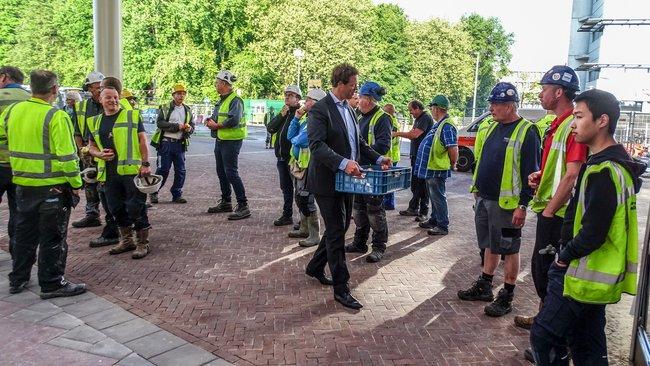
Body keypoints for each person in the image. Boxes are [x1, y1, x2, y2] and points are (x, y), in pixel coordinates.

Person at [530, 89, 643, 365]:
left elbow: (593, 232)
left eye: (579, 116)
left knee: (544, 336)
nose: (573, 124)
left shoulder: (603, 171)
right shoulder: (615, 167)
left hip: (581, 274)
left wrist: (562, 258)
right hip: (595, 276)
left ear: (602, 121)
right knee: (587, 346)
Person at [304, 63, 391, 310]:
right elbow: (317, 146)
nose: (355, 90)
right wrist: (344, 163)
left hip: (346, 180)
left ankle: (314, 267)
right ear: (340, 83)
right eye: (352, 85)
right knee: (335, 231)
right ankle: (341, 288)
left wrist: (377, 157)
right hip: (326, 180)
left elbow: (359, 143)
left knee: (341, 226)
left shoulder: (350, 111)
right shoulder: (320, 110)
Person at [513, 66, 587, 333]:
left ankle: (552, 330)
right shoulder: (559, 124)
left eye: (544, 90)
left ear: (558, 92)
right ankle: (545, 318)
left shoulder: (572, 125)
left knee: (550, 272)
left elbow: (572, 174)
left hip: (558, 213)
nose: (540, 95)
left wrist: (549, 210)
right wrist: (541, 175)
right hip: (551, 208)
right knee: (542, 270)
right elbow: (560, 168)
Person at [458, 82, 540, 317]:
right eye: (491, 103)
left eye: (495, 103)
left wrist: (523, 205)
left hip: (507, 205)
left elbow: (530, 172)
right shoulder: (493, 126)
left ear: (510, 105)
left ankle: (507, 295)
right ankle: (485, 285)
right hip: (484, 198)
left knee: (509, 248)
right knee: (488, 245)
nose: (491, 108)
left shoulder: (527, 131)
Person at [2, 69, 86, 298]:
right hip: (53, 187)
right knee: (53, 238)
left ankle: (18, 279)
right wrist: (76, 183)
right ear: (54, 89)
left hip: (22, 185)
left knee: (23, 234)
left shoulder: (12, 112)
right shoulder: (56, 116)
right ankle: (51, 283)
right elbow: (68, 157)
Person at [87, 87, 152, 259]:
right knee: (115, 208)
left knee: (135, 207)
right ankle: (127, 240)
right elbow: (91, 146)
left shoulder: (131, 115)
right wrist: (99, 154)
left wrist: (145, 163)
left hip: (132, 171)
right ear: (100, 100)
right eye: (108, 97)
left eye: (116, 97)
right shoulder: (94, 121)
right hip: (109, 173)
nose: (113, 100)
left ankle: (142, 242)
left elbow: (142, 140)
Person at [344, 81, 392, 263]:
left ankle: (379, 246)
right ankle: (359, 242)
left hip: (373, 172)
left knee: (374, 211)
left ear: (370, 100)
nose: (357, 101)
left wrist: (361, 153)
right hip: (359, 170)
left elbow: (383, 145)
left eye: (361, 98)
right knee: (358, 209)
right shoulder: (359, 116)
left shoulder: (382, 118)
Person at [72, 71, 120, 248]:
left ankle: (115, 227)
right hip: (90, 150)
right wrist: (82, 151)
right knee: (92, 184)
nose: (98, 90)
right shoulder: (82, 107)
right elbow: (78, 131)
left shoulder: (113, 103)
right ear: (89, 88)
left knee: (108, 189)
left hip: (108, 153)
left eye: (101, 87)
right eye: (95, 87)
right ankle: (92, 215)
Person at [205, 71, 250, 220]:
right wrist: (210, 121)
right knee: (221, 172)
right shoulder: (222, 100)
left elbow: (234, 120)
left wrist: (216, 125)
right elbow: (218, 116)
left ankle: (243, 205)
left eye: (217, 82)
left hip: (231, 141)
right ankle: (226, 201)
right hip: (221, 140)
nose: (215, 84)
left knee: (231, 172)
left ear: (224, 84)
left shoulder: (235, 100)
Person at [286, 88, 327, 247]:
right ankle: (304, 228)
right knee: (300, 197)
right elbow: (290, 136)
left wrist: (296, 138)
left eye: (309, 99)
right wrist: (296, 117)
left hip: (309, 166)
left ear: (317, 103)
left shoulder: (317, 120)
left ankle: (314, 234)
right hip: (299, 165)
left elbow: (301, 140)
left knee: (306, 199)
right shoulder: (305, 119)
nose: (305, 102)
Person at [414, 95, 457, 236]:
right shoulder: (440, 123)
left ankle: (442, 225)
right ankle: (434, 219)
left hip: (437, 168)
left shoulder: (447, 125)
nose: (431, 111)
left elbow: (452, 148)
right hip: (431, 168)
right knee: (434, 196)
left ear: (437, 109)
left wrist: (453, 163)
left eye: (432, 108)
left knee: (438, 197)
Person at [0, 66, 30, 259]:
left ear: (3, 77)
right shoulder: (32, 99)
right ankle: (17, 256)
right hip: (23, 166)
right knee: (18, 213)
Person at [150, 83, 194, 204]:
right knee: (163, 169)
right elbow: (160, 123)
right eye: (179, 93)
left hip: (180, 144)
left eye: (183, 93)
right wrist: (177, 127)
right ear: (173, 95)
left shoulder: (187, 110)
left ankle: (177, 194)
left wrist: (189, 129)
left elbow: (192, 126)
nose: (181, 96)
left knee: (181, 170)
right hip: (166, 143)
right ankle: (154, 192)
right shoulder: (165, 108)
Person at [267, 85, 302, 226]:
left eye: (291, 95)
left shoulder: (300, 113)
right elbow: (270, 128)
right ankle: (287, 215)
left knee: (300, 190)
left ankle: (303, 218)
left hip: (294, 159)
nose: (287, 97)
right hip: (281, 158)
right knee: (286, 188)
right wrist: (281, 115)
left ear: (298, 98)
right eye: (286, 95)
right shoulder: (284, 112)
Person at [393, 100, 433, 222]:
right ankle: (413, 208)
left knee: (422, 184)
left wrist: (396, 133)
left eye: (411, 110)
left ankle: (423, 211)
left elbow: (414, 135)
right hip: (416, 155)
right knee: (415, 183)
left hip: (422, 156)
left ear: (417, 108)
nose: (410, 113)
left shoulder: (425, 118)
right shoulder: (419, 118)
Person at [381, 103, 401, 210]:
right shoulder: (393, 121)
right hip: (393, 155)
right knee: (390, 180)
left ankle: (389, 203)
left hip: (390, 156)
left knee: (388, 181)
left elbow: (388, 138)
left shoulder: (389, 121)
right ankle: (389, 203)